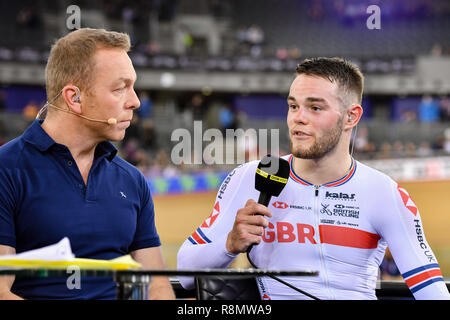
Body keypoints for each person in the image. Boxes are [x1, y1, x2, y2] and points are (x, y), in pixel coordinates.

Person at [177, 57, 450, 300]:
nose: (298, 118)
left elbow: (430, 288)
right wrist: (229, 244)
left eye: (315, 108)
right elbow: (185, 273)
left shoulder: (384, 192)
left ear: (351, 117)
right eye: (293, 106)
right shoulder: (250, 177)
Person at [0, 28, 175, 300]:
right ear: (74, 98)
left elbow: (157, 285)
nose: (136, 101)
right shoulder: (6, 170)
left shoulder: (132, 180)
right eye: (120, 89)